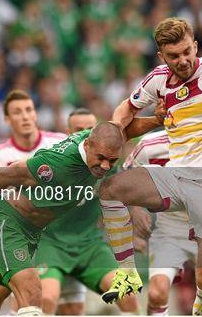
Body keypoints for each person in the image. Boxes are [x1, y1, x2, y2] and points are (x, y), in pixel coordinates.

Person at [99, 17, 202, 315]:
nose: (183, 60)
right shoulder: (158, 80)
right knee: (111, 188)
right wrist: (113, 128)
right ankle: (127, 272)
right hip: (176, 177)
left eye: (187, 51)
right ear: (162, 56)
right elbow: (127, 108)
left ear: (195, 46)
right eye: (174, 56)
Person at [0, 122, 125, 316]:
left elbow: (125, 121)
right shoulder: (57, 163)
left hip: (30, 233)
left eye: (112, 160)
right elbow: (4, 175)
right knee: (32, 292)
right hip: (6, 222)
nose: (106, 165)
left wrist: (157, 118)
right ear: (88, 144)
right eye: (101, 158)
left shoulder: (102, 146)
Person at [124, 130, 202, 315]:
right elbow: (128, 175)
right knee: (157, 293)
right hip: (170, 231)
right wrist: (136, 209)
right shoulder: (149, 145)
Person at [37, 108, 138, 315]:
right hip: (52, 244)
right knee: (46, 298)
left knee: (128, 296)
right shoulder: (55, 163)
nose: (84, 132)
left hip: (89, 245)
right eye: (78, 129)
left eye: (89, 129)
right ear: (70, 134)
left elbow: (124, 199)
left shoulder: (107, 164)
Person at [0, 89, 66, 314]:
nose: (24, 116)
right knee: (14, 301)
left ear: (35, 114)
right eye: (17, 112)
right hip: (21, 232)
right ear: (7, 119)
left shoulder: (58, 143)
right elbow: (5, 198)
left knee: (48, 300)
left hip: (57, 233)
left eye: (28, 110)